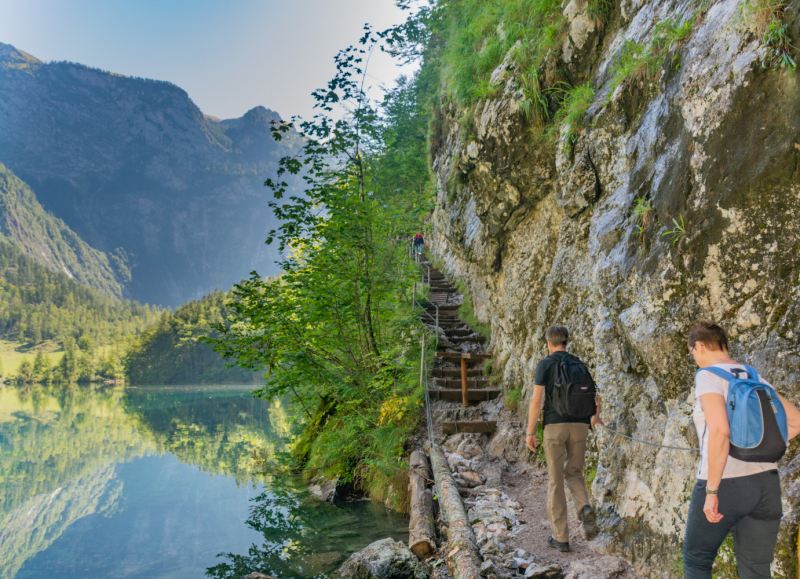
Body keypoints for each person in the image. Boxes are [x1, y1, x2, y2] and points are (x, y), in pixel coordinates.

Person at [683, 320, 800, 579]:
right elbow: (796, 421)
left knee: (697, 561)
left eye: (692, 354)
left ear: (700, 346)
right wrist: (757, 447)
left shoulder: (707, 375)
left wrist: (712, 491)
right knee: (756, 569)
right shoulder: (754, 375)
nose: (695, 360)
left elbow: (720, 431)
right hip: (766, 486)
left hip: (726, 484)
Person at [526, 325, 603, 552]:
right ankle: (584, 507)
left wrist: (530, 432)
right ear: (566, 342)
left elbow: (536, 401)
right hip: (580, 426)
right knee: (575, 472)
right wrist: (595, 417)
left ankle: (560, 538)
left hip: (555, 428)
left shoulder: (545, 364)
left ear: (549, 342)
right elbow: (595, 394)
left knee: (555, 479)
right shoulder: (579, 364)